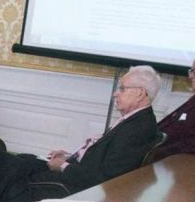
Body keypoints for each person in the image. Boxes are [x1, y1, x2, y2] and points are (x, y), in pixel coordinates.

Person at [52, 65, 165, 194]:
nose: (115, 94)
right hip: (77, 172)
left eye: (122, 89)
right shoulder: (136, 120)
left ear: (140, 93)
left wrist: (63, 166)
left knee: (24, 168)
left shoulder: (136, 130)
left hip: (75, 186)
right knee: (27, 161)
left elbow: (105, 178)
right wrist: (70, 157)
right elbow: (102, 157)